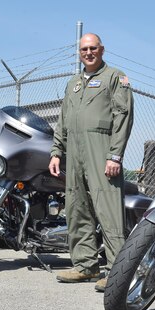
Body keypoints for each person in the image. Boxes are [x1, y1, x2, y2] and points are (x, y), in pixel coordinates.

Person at [49, 33, 134, 292]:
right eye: (84, 49)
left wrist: (115, 155)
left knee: (108, 211)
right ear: (79, 52)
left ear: (102, 49)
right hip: (74, 151)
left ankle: (117, 271)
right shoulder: (73, 82)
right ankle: (86, 265)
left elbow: (123, 117)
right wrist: (56, 151)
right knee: (77, 207)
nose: (88, 53)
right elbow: (63, 119)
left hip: (101, 149)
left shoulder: (115, 78)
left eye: (93, 48)